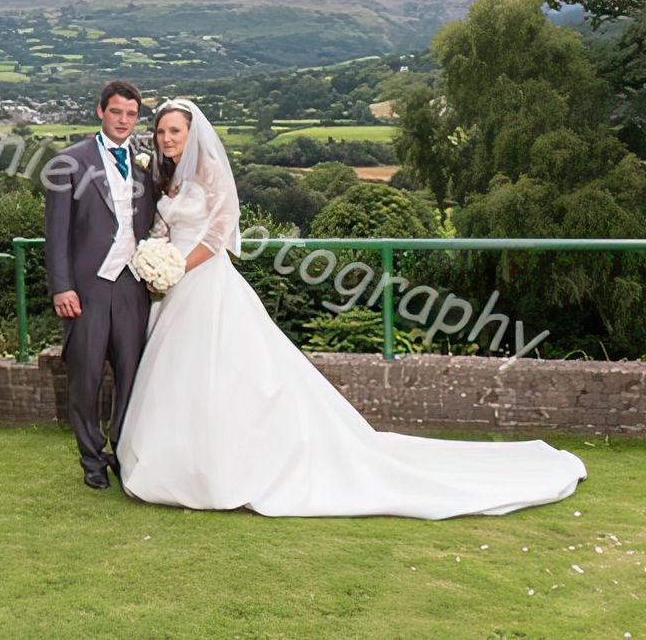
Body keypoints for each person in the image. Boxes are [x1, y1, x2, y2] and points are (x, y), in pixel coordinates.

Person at [116, 98, 587, 518]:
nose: (167, 138)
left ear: (192, 133)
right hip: (175, 289)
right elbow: (162, 227)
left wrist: (177, 265)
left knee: (227, 375)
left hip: (206, 282)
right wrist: (156, 255)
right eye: (161, 132)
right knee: (181, 377)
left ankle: (225, 467)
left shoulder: (211, 173)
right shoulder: (167, 177)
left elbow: (219, 235)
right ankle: (181, 463)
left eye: (174, 131)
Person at [43, 80, 157, 490]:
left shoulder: (150, 166)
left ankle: (122, 452)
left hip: (132, 287)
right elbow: (56, 235)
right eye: (116, 112)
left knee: (132, 375)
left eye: (131, 114)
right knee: (85, 377)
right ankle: (91, 459)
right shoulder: (68, 163)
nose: (124, 120)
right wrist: (62, 286)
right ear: (100, 111)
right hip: (87, 288)